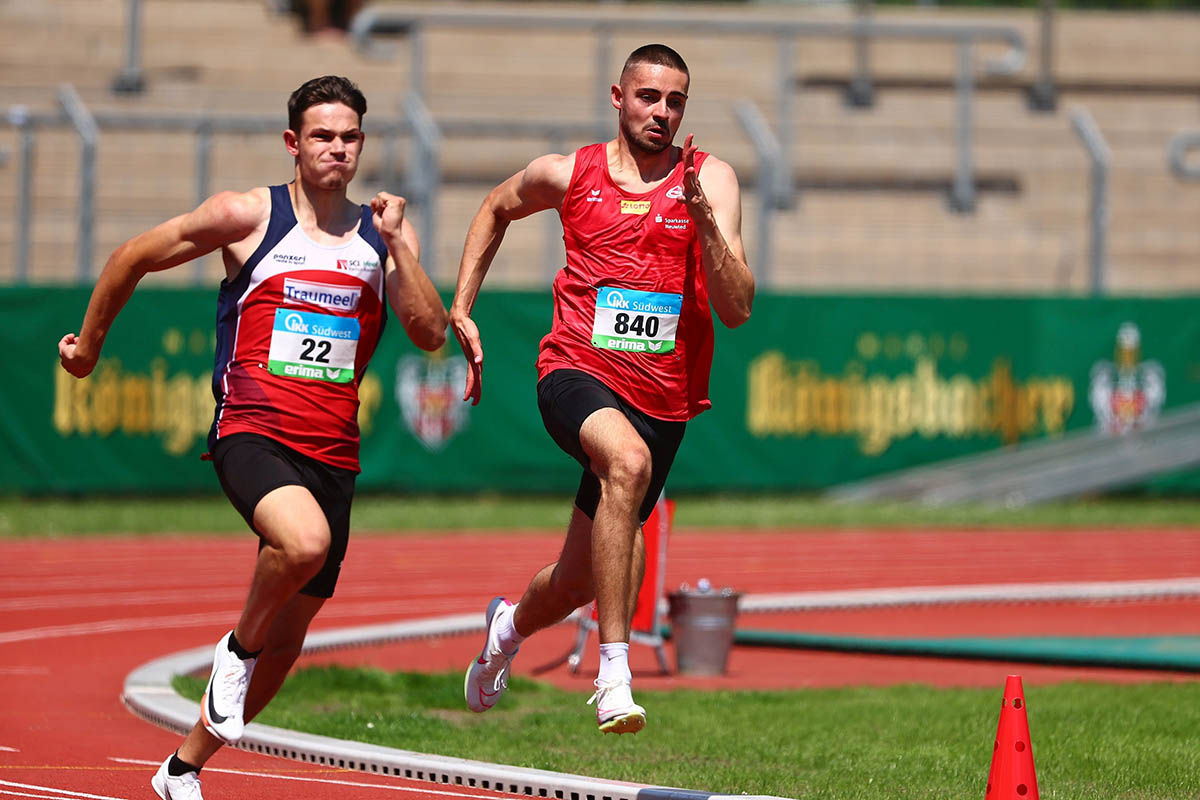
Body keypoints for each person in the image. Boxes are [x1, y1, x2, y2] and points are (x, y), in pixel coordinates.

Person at [58, 75, 447, 798]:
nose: (337, 148)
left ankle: (182, 769)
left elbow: (428, 333)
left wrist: (400, 246)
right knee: (301, 547)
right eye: (323, 136)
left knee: (290, 640)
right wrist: (88, 347)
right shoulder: (245, 216)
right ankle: (235, 650)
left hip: (333, 451)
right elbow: (135, 254)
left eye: (350, 136)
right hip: (252, 428)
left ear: (363, 143)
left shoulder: (383, 231)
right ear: (293, 143)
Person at [449, 44, 753, 735]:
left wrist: (706, 225)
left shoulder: (713, 181)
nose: (662, 112)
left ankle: (506, 631)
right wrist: (462, 306)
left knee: (578, 580)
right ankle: (614, 675)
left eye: (676, 101)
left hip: (662, 400)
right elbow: (496, 208)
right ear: (618, 98)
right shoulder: (570, 172)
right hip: (575, 370)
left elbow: (737, 308)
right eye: (648, 97)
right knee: (627, 463)